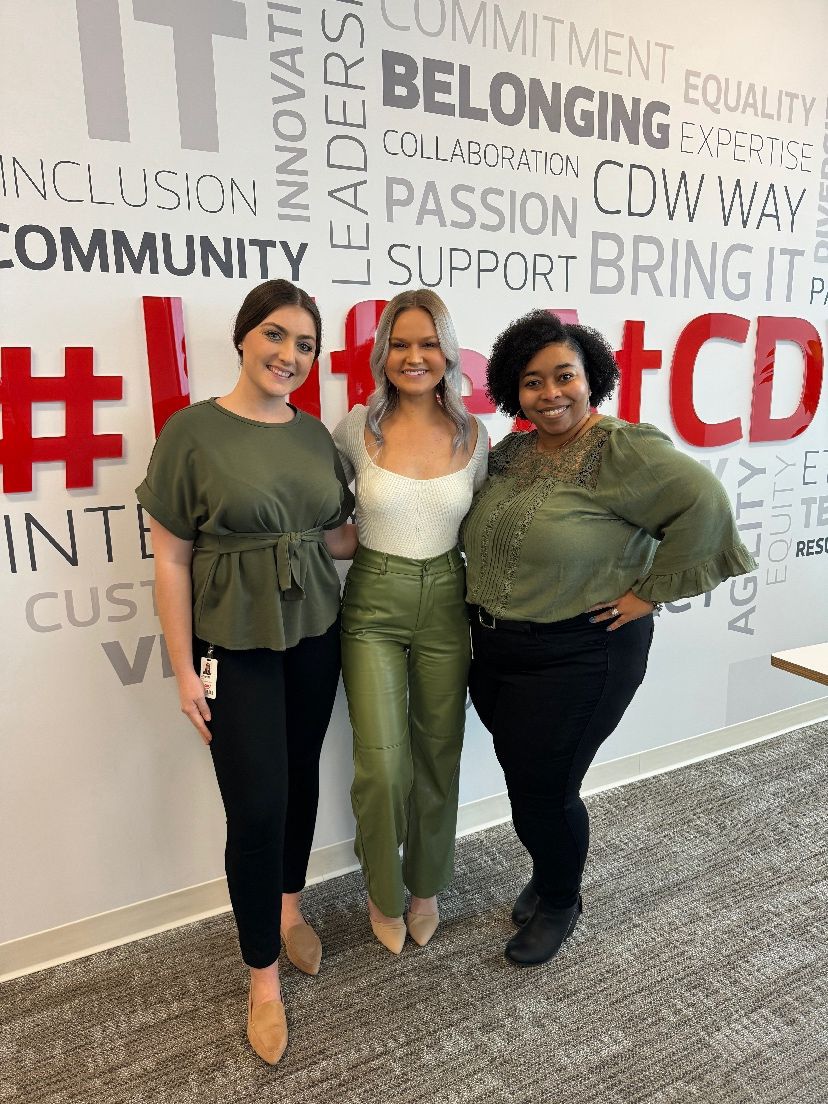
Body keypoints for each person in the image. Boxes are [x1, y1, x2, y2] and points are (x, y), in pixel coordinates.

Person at [462, 310, 756, 967]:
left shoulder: (622, 449)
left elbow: (704, 504)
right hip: (500, 649)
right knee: (527, 780)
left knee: (547, 790)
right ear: (515, 390)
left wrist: (647, 592)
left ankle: (561, 900)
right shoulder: (513, 452)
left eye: (565, 376)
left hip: (582, 653)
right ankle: (548, 869)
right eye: (533, 382)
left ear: (591, 377)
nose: (551, 393)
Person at [136, 280, 356, 1065]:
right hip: (233, 644)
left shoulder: (311, 436)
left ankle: (291, 907)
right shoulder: (191, 432)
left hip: (314, 634)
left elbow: (331, 537)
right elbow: (169, 558)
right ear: (241, 338)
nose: (288, 356)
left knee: (299, 778)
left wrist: (419, 518)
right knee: (256, 805)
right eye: (274, 335)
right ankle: (262, 976)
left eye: (305, 344)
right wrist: (182, 672)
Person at [333, 289, 489, 952]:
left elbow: (484, 532)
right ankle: (382, 890)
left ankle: (425, 885)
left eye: (428, 344)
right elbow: (337, 526)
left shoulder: (476, 436)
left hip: (447, 599)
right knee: (383, 763)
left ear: (448, 353)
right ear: (383, 352)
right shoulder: (353, 431)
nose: (414, 356)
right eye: (401, 343)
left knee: (438, 753)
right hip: (373, 601)